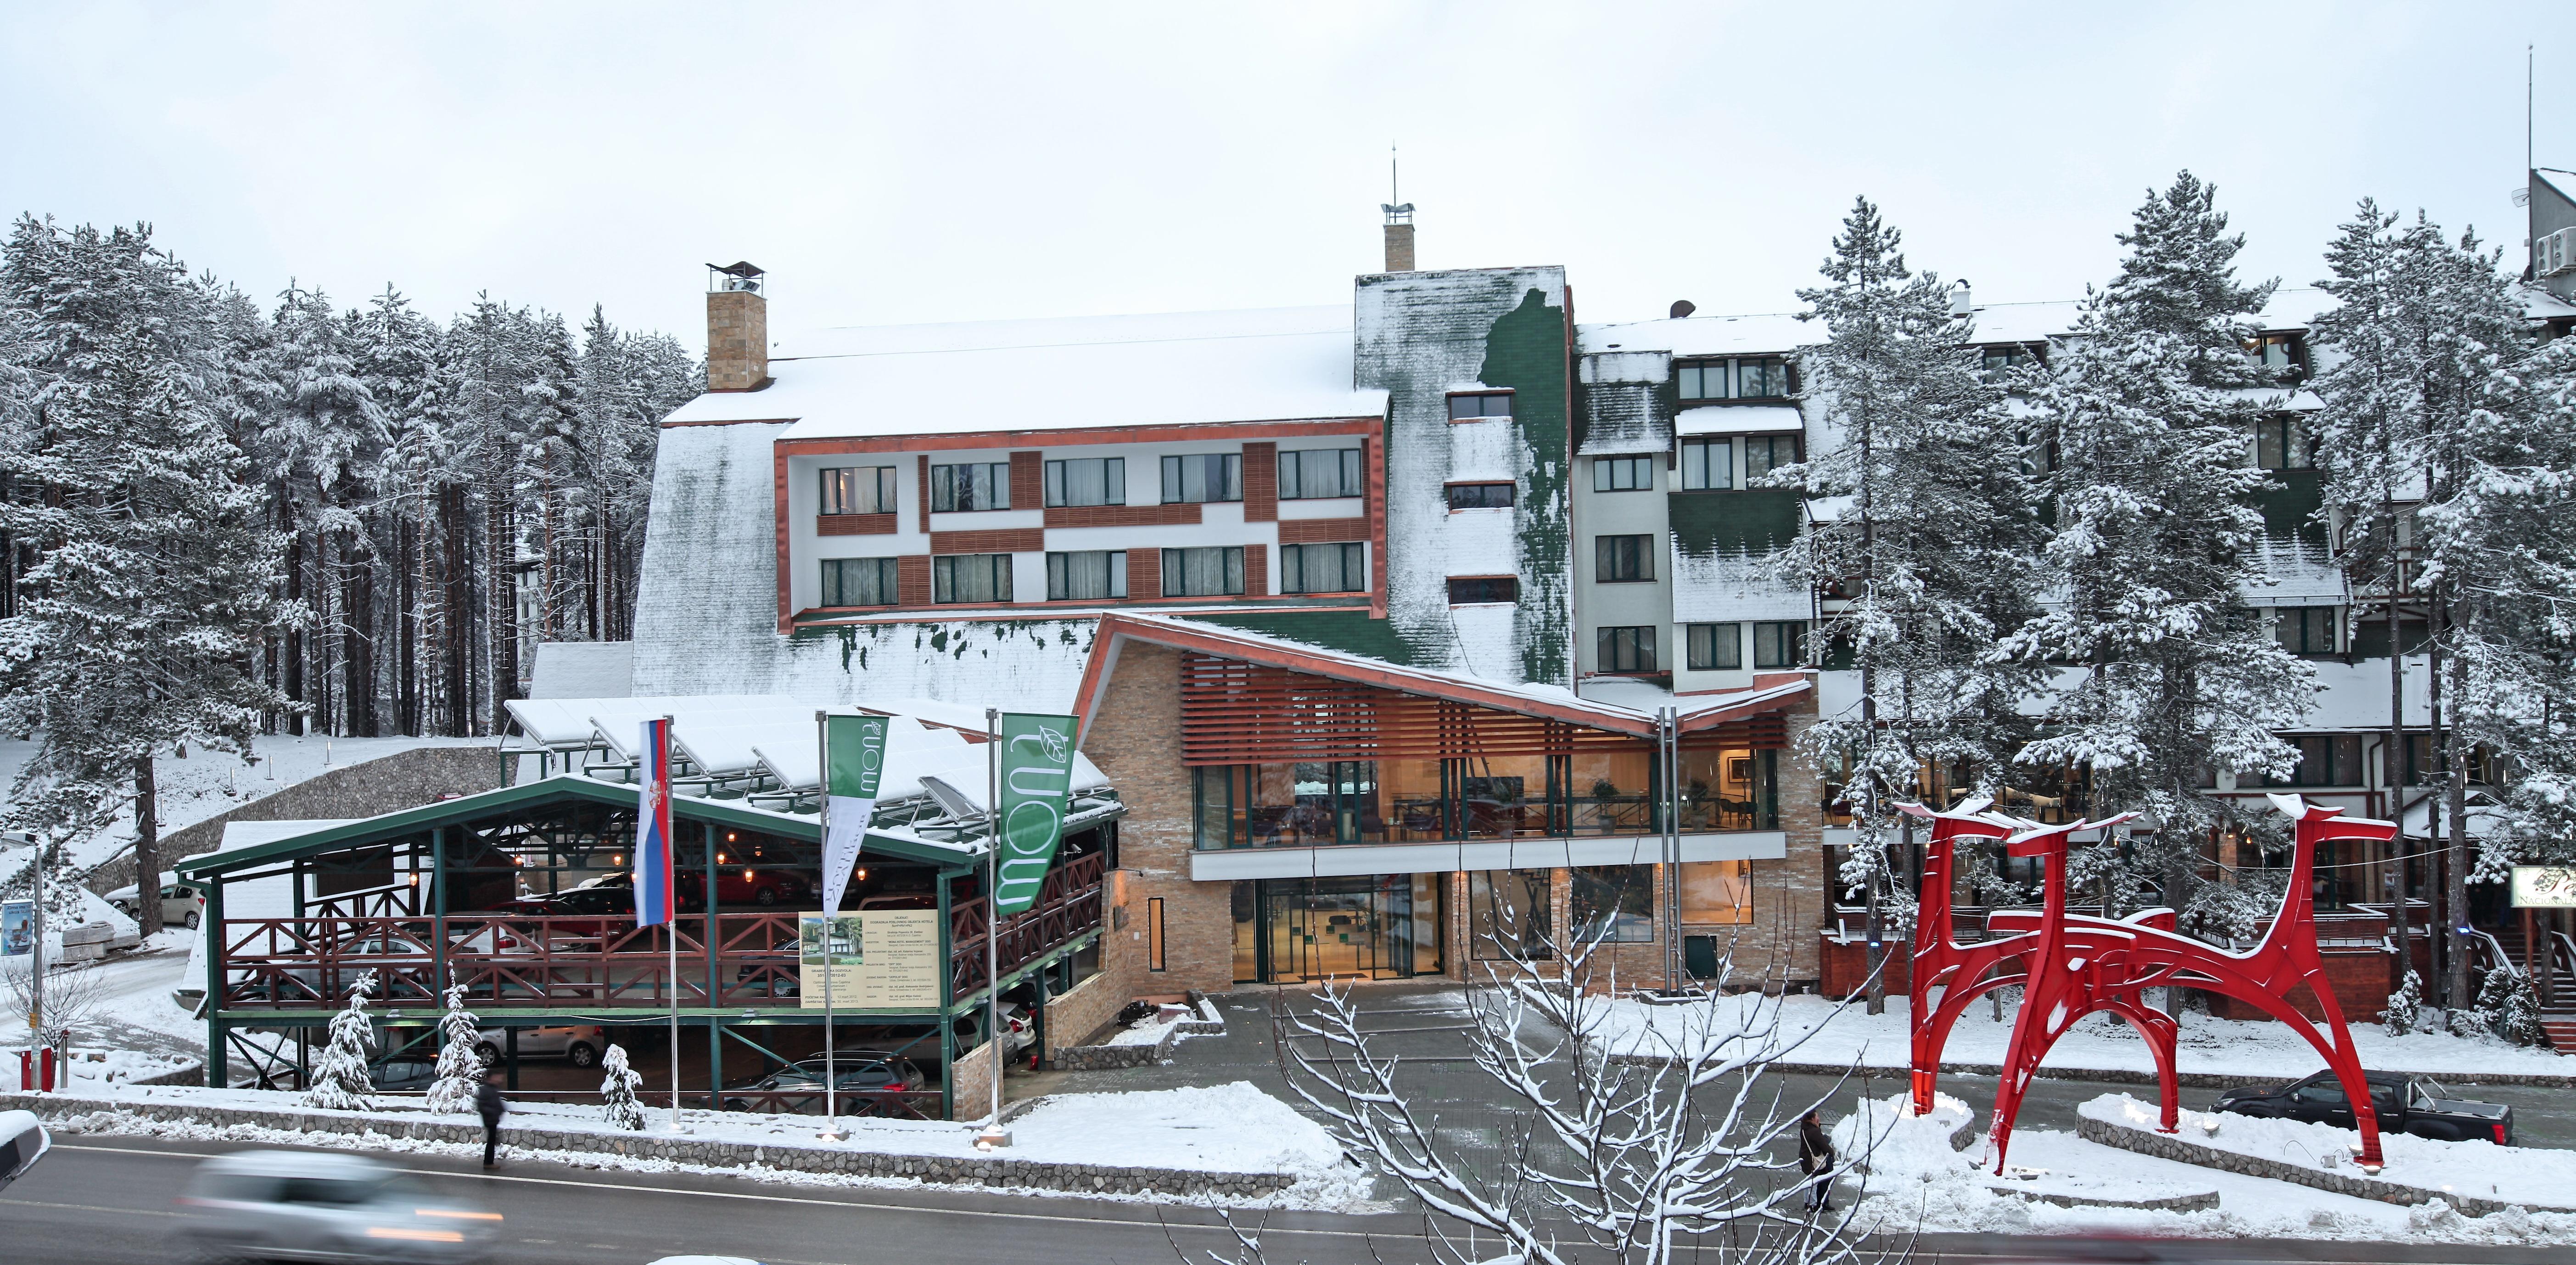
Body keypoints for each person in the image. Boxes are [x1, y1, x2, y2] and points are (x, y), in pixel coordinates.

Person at [1796, 1108, 1835, 1214]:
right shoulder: (1814, 1131)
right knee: (1814, 1183)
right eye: (1817, 1116)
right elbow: (1823, 1145)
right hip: (1814, 1161)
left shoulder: (1805, 1128)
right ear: (1813, 1119)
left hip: (1806, 1159)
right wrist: (1832, 1153)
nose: (1819, 1118)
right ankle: (1813, 1205)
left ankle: (1807, 1202)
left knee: (1809, 1181)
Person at [476, 1073, 506, 1169]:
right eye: (498, 1077)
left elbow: (497, 1102)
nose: (500, 1079)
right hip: (489, 1119)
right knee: (491, 1141)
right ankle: (488, 1162)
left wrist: (501, 1110)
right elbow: (481, 1105)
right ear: (492, 1077)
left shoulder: (493, 1088)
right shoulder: (486, 1089)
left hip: (493, 1118)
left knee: (492, 1140)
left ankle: (489, 1162)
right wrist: (493, 1112)